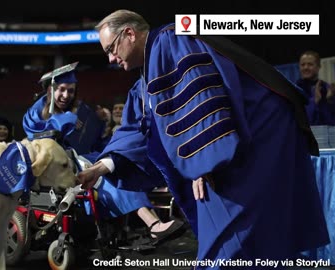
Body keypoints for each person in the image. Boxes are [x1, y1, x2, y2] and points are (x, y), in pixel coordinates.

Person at [77, 9, 329, 266]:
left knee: (234, 236)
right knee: (246, 235)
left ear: (129, 33)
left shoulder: (172, 40)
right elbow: (142, 130)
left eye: (111, 48)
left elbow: (201, 97)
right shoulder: (147, 77)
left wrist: (203, 162)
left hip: (261, 133)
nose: (110, 58)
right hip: (229, 149)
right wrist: (101, 167)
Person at [23, 63, 184, 243]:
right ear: (50, 90)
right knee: (105, 177)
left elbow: (94, 142)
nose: (66, 95)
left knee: (115, 168)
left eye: (71, 90)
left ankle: (149, 224)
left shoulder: (80, 110)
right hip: (60, 166)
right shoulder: (36, 112)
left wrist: (100, 125)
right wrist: (66, 122)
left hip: (86, 158)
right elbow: (39, 141)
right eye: (61, 90)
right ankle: (153, 224)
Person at [296, 50, 335, 125]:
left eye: (310, 64)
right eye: (302, 64)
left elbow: (331, 124)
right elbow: (299, 121)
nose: (306, 67)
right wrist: (314, 101)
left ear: (318, 67)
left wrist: (330, 101)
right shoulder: (294, 90)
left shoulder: (327, 89)